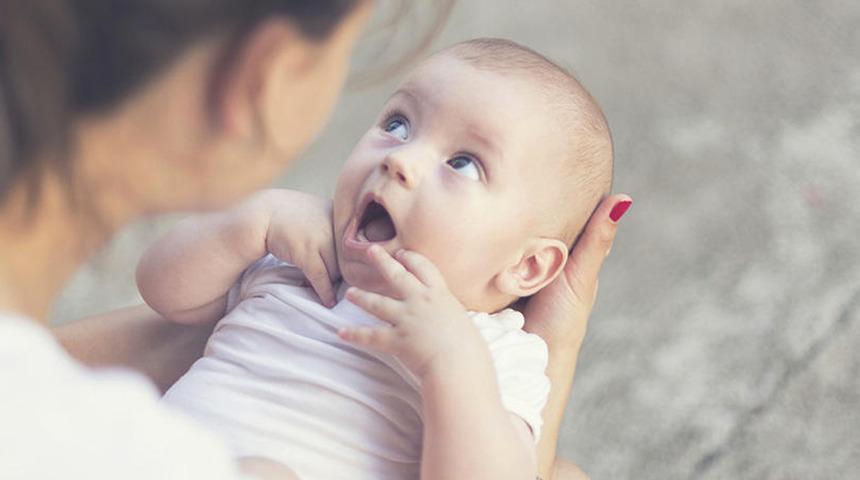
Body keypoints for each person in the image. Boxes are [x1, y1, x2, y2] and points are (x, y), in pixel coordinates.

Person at [0, 0, 630, 478]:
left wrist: (451, 367)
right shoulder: (297, 256)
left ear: (528, 268)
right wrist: (253, 223)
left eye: (463, 163)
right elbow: (163, 288)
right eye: (399, 122)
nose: (401, 160)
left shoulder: (494, 355)